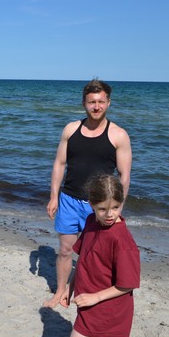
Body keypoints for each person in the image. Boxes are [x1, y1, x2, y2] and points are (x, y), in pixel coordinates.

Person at [45, 79, 132, 308]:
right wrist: (54, 197)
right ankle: (61, 292)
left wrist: (118, 208)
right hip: (68, 199)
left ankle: (87, 291)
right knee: (65, 250)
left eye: (101, 102)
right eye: (92, 102)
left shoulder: (118, 135)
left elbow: (124, 176)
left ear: (108, 103)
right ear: (83, 103)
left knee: (92, 254)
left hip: (98, 207)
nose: (96, 107)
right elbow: (59, 164)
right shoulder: (71, 129)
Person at [60, 175, 140, 337]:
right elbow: (83, 258)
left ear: (121, 203)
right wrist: (69, 287)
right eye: (103, 208)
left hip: (103, 305)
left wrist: (95, 297)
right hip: (87, 299)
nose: (109, 214)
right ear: (91, 204)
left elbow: (127, 284)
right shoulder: (91, 222)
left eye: (115, 207)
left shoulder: (121, 238)